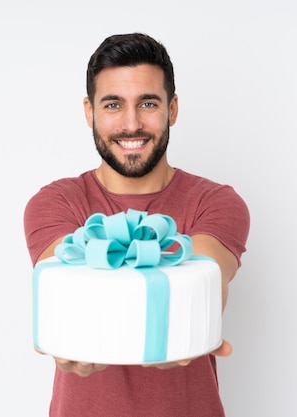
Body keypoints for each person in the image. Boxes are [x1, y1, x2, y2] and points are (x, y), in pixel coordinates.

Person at [24, 33, 250, 417]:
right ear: (89, 111)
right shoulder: (55, 203)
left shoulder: (216, 203)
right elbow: (64, 293)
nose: (131, 124)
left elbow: (208, 282)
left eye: (148, 103)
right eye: (113, 104)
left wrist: (187, 323)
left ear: (172, 109)